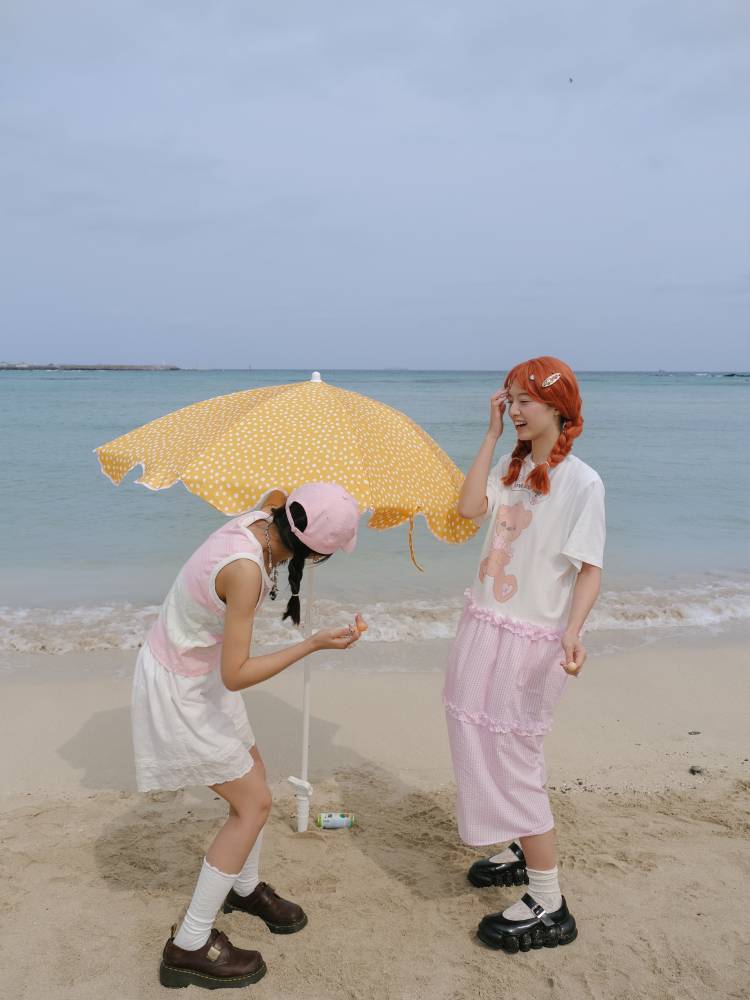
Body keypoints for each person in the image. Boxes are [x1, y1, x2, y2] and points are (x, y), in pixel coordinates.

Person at [131, 482, 362, 989]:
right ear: (315, 552)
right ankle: (188, 944)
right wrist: (312, 645)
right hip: (183, 684)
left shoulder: (268, 511)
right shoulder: (247, 572)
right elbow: (236, 674)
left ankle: (244, 886)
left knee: (255, 775)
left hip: (198, 668)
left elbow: (278, 491)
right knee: (254, 804)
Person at [444, 356, 605, 954]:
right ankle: (519, 843)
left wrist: (574, 631)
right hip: (486, 622)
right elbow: (467, 510)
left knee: (513, 755)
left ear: (557, 408)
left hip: (531, 640)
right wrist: (490, 435)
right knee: (475, 733)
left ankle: (549, 902)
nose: (513, 410)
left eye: (523, 401)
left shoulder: (582, 482)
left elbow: (589, 569)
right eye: (508, 399)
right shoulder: (510, 469)